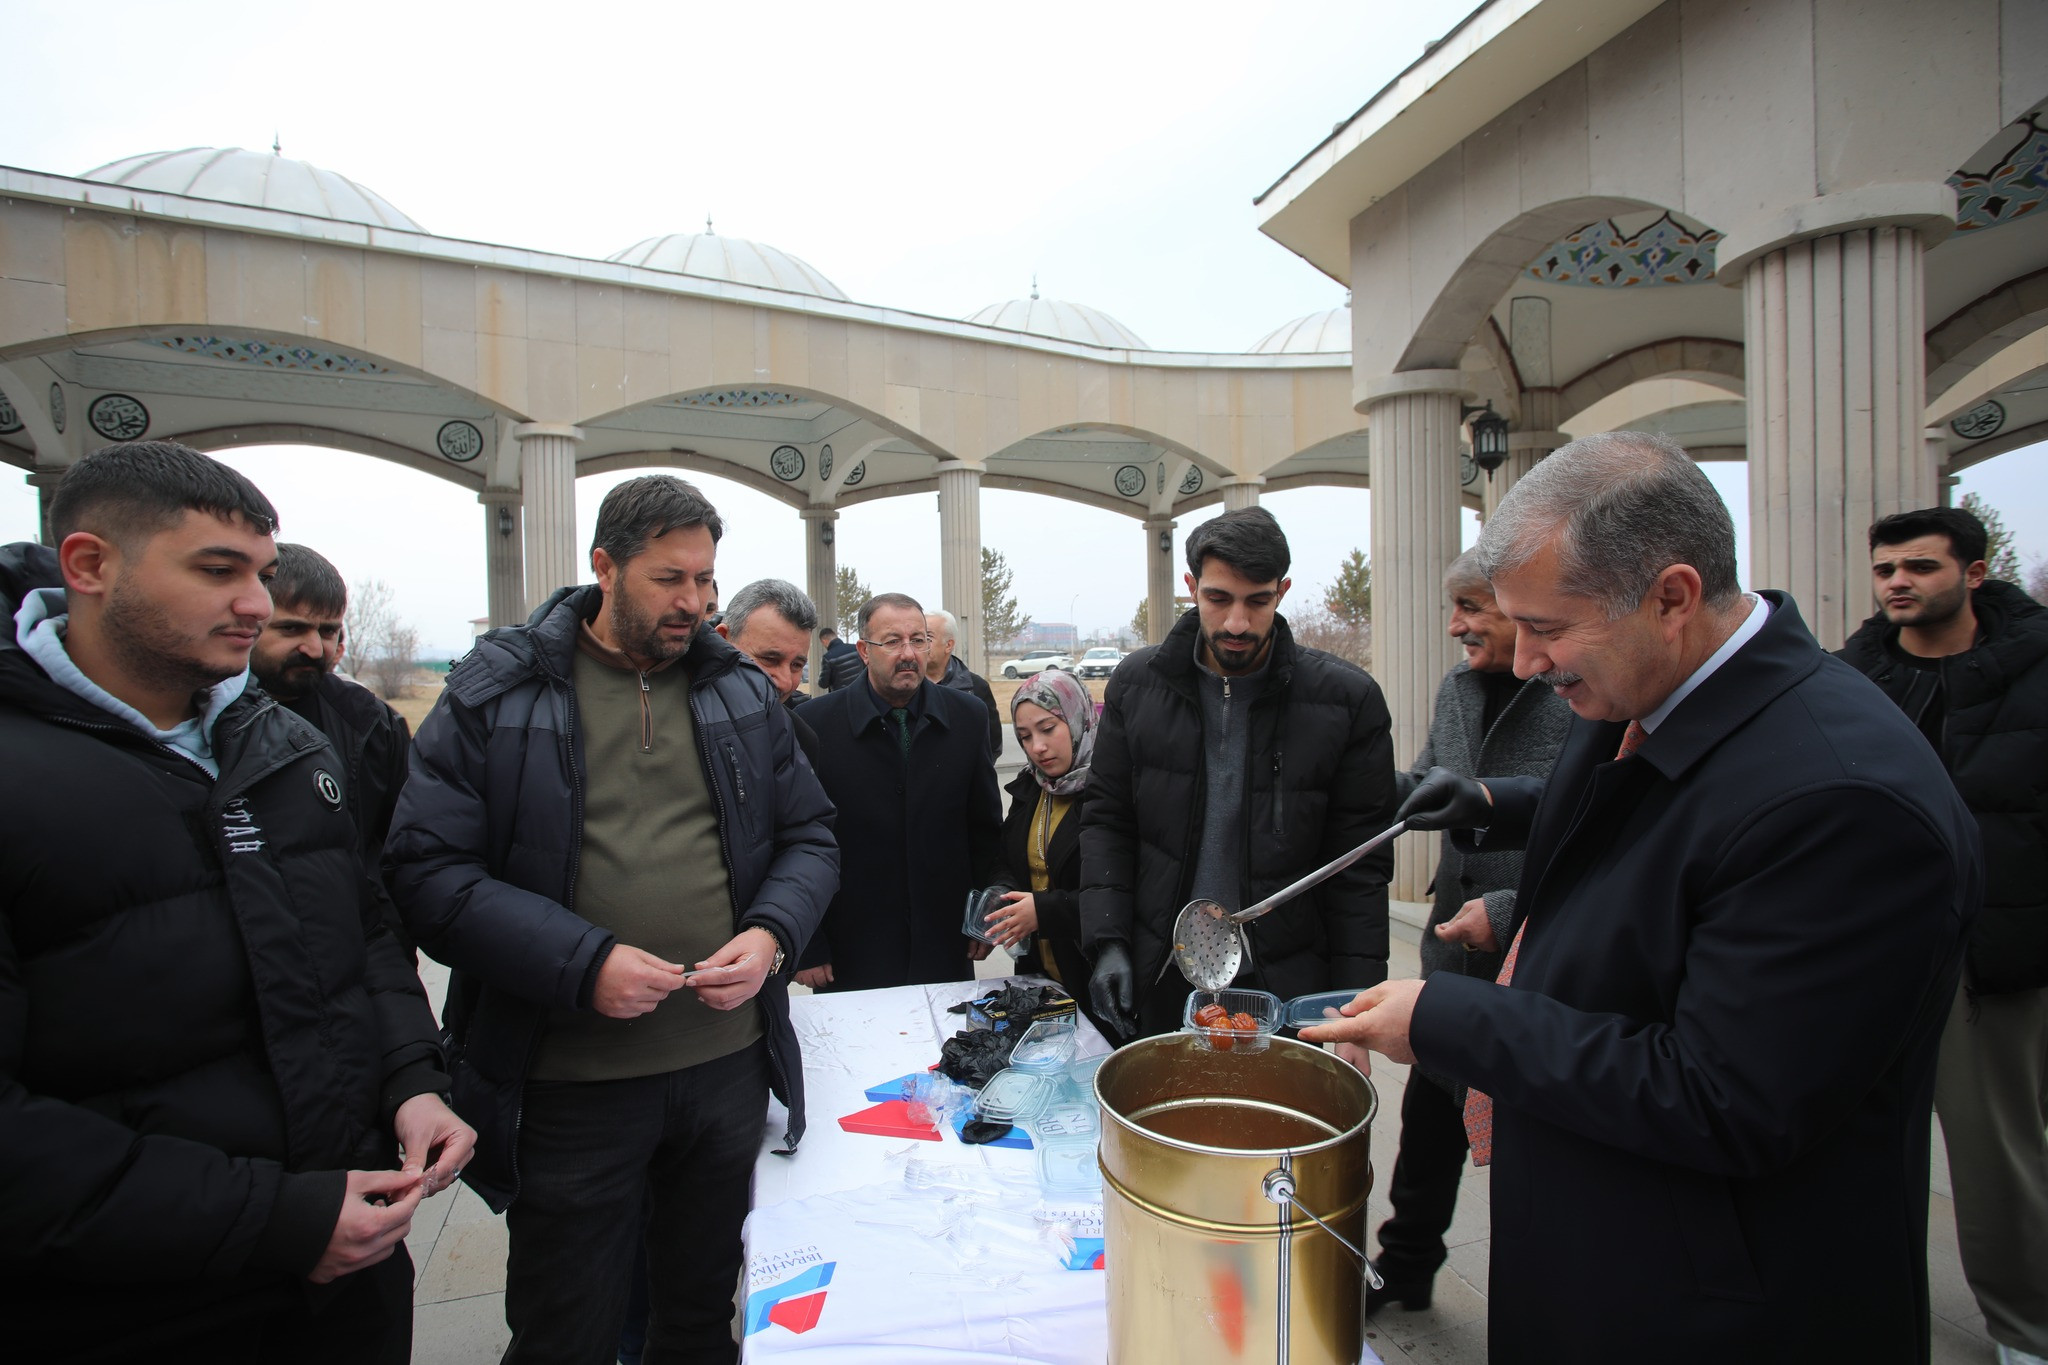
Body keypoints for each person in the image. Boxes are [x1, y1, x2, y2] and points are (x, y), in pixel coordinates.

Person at [1303, 432, 1981, 1363]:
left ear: (1671, 597)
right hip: (1605, 1248)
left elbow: (1724, 1096)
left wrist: (1450, 1018)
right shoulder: (1653, 691)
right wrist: (1494, 805)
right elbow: (1648, 828)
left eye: (1548, 627)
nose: (1527, 661)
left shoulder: (1844, 801)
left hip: (1716, 1309)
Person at [0, 441, 470, 1362]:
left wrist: (412, 1079)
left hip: (346, 1271)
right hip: (124, 1300)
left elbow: (365, 937)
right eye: (218, 571)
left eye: (260, 572)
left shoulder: (286, 746)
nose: (255, 603)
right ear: (89, 565)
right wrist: (274, 1217)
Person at [385, 474, 838, 1364]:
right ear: (604, 567)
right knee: (568, 1327)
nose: (694, 602)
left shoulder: (739, 691)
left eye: (705, 579)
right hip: (572, 1086)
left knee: (699, 1318)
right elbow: (425, 873)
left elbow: (812, 834)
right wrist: (582, 961)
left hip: (724, 1072)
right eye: (670, 579)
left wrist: (772, 934)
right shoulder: (499, 692)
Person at [1840, 506, 2048, 1365]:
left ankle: (2026, 1332)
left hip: (1999, 947)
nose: (1898, 582)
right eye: (1886, 568)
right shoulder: (1849, 679)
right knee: (1856, 1150)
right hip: (1879, 949)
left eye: (1920, 567)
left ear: (1974, 571)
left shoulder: (2036, 668)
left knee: (1999, 1154)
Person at [1080, 506, 1397, 1040]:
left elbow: (1358, 868)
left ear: (1282, 592)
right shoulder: (1136, 686)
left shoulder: (1347, 700)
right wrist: (1108, 941)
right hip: (1161, 974)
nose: (1236, 623)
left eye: (1257, 601)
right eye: (1218, 598)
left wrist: (1352, 1005)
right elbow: (1107, 821)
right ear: (1191, 588)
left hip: (1289, 987)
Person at [1367, 548, 1569, 1315]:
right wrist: (1371, 789)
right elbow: (1432, 780)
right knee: (1427, 1120)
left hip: (1534, 961)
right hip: (1451, 952)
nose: (1455, 625)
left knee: (1525, 1141)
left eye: (1472, 606)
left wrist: (1511, 909)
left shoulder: (1575, 692)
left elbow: (1592, 832)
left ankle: (1540, 1299)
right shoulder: (1457, 686)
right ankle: (1406, 1263)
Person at [795, 592, 1003, 992]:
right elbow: (800, 839)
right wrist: (808, 942)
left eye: (918, 640)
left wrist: (982, 918)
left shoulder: (968, 717)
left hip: (944, 942)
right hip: (851, 949)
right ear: (863, 651)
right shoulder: (815, 724)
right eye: (892, 641)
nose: (908, 654)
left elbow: (985, 831)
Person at [249, 542, 412, 893]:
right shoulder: (196, 719)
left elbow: (407, 848)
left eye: (327, 631)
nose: (314, 649)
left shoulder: (371, 722)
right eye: (291, 629)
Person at [982, 669, 1102, 1020]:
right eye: (1025, 736)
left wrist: (1045, 911)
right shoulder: (1032, 787)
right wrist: (1002, 891)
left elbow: (1126, 893)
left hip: (1096, 983)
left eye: (1048, 729)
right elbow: (1008, 857)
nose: (1037, 747)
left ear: (1078, 719)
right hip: (1041, 981)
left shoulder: (1113, 789)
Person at [719, 576, 823, 758]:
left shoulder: (801, 741)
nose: (785, 682)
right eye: (770, 659)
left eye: (796, 665)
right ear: (722, 640)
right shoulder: (672, 717)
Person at [924, 606, 1002, 759]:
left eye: (928, 638)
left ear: (949, 645)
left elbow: (992, 743)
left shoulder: (975, 687)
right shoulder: (904, 685)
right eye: (916, 637)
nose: (920, 643)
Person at [817, 624, 863, 691]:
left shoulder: (828, 657)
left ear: (824, 641)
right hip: (860, 691)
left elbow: (823, 684)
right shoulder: (856, 649)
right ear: (835, 635)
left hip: (841, 695)